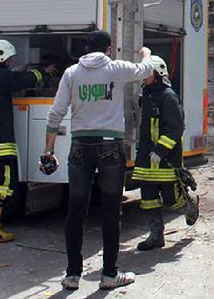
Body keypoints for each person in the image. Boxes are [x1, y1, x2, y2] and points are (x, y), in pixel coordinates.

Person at [44, 30, 154, 291]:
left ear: (85, 49)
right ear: (108, 49)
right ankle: (109, 275)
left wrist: (48, 151)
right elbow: (146, 68)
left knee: (76, 210)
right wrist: (146, 52)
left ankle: (72, 275)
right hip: (110, 147)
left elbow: (56, 113)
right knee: (110, 211)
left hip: (80, 146)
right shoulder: (116, 68)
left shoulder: (72, 73)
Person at [0, 40, 52, 242]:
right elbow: (26, 79)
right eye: (9, 59)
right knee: (1, 185)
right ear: (1, 57)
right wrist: (43, 71)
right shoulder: (3, 76)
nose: (10, 62)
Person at [132, 56, 199, 251]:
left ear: (158, 74)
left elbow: (176, 127)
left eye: (147, 73)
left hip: (166, 159)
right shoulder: (147, 94)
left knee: (171, 199)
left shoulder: (168, 96)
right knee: (148, 199)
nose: (143, 77)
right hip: (147, 157)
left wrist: (160, 151)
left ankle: (190, 204)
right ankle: (156, 236)